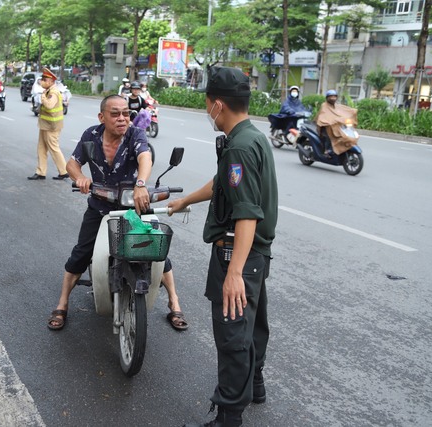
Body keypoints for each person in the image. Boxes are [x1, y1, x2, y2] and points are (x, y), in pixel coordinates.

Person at [169, 66, 278, 427]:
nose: (205, 111)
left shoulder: (240, 148)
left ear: (217, 105)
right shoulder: (250, 137)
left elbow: (247, 212)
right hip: (256, 255)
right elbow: (224, 183)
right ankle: (255, 384)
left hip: (238, 252)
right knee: (252, 324)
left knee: (232, 333)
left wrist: (233, 274)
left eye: (206, 103)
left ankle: (229, 415)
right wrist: (186, 201)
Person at [47, 94, 188, 331]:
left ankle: (175, 302)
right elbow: (72, 163)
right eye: (115, 114)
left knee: (156, 251)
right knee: (81, 253)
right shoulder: (90, 136)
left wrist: (141, 184)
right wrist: (80, 177)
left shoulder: (136, 134)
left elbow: (145, 156)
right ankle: (62, 303)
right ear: (102, 117)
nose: (122, 118)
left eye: (126, 113)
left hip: (134, 206)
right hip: (100, 206)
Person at [27, 68, 69, 181]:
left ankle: (64, 171)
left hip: (52, 126)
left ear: (51, 81)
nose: (42, 81)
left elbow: (49, 105)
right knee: (41, 148)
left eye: (45, 80)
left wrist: (43, 98)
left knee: (54, 148)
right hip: (45, 125)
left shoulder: (53, 92)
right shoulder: (48, 91)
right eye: (42, 79)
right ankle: (41, 172)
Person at [315, 89, 359, 157]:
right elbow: (323, 116)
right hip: (325, 125)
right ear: (327, 98)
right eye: (331, 96)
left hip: (336, 125)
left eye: (334, 96)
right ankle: (327, 150)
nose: (333, 98)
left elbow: (344, 111)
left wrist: (352, 112)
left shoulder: (337, 105)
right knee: (328, 135)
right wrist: (329, 122)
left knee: (343, 134)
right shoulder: (324, 106)